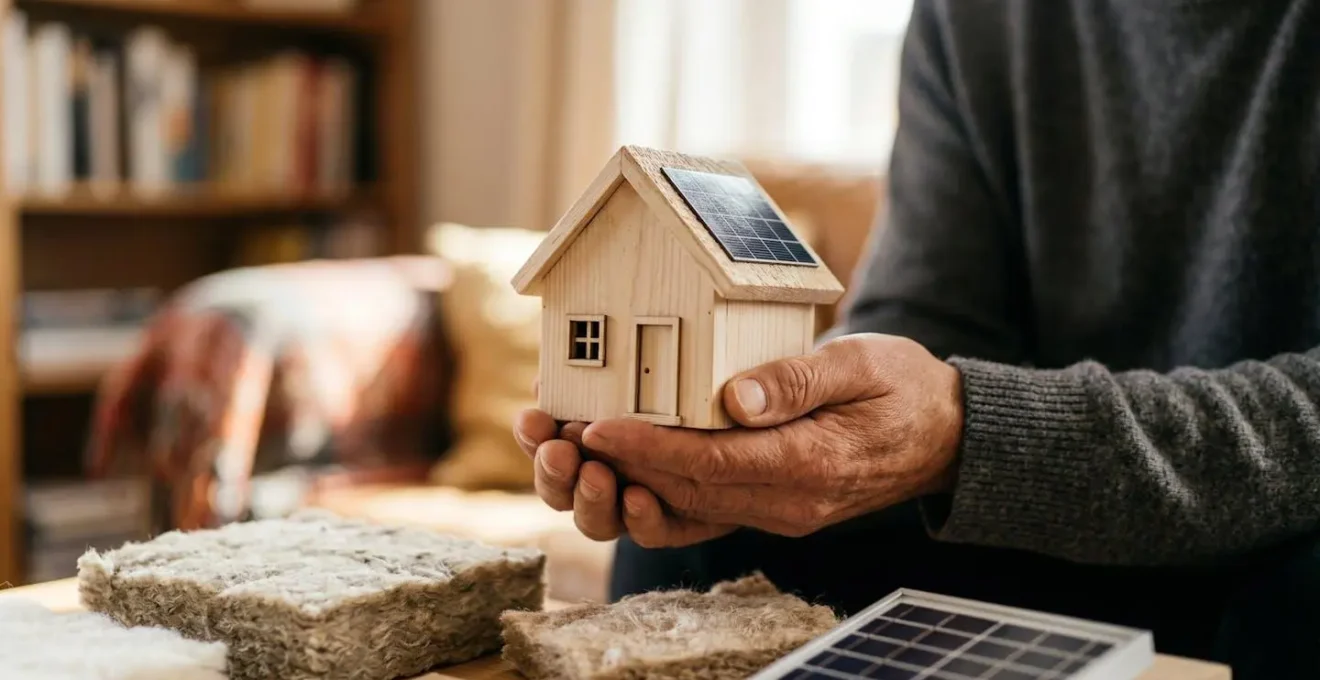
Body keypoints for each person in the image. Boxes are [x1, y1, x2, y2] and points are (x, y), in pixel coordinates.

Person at [514, 1, 1320, 677]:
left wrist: (968, 430)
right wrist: (822, 435)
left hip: (1275, 521)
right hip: (1035, 527)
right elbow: (926, 317)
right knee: (697, 541)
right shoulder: (972, 16)